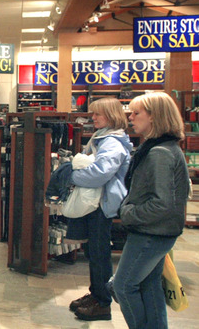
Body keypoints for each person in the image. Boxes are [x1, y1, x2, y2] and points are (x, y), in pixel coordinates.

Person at [112, 92, 189, 328]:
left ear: (154, 117)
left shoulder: (159, 153)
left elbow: (162, 203)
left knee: (123, 286)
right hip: (156, 232)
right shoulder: (161, 148)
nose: (130, 117)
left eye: (136, 113)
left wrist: (127, 213)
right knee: (149, 285)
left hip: (150, 233)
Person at [67, 98, 132, 321]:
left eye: (98, 114)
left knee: (99, 252)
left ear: (111, 115)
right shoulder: (104, 137)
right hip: (99, 201)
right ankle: (96, 294)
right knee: (94, 251)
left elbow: (100, 174)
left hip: (103, 204)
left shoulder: (112, 142)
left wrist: (72, 176)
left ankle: (102, 302)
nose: (93, 117)